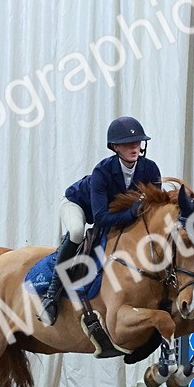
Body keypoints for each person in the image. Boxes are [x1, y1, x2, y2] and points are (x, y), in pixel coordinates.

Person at [40, 116, 162, 325]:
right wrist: (133, 212)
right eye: (127, 143)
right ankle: (51, 296)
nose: (134, 147)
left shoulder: (150, 169)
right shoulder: (102, 171)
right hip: (79, 204)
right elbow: (101, 218)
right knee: (78, 231)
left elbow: (154, 207)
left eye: (137, 142)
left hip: (114, 214)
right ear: (115, 147)